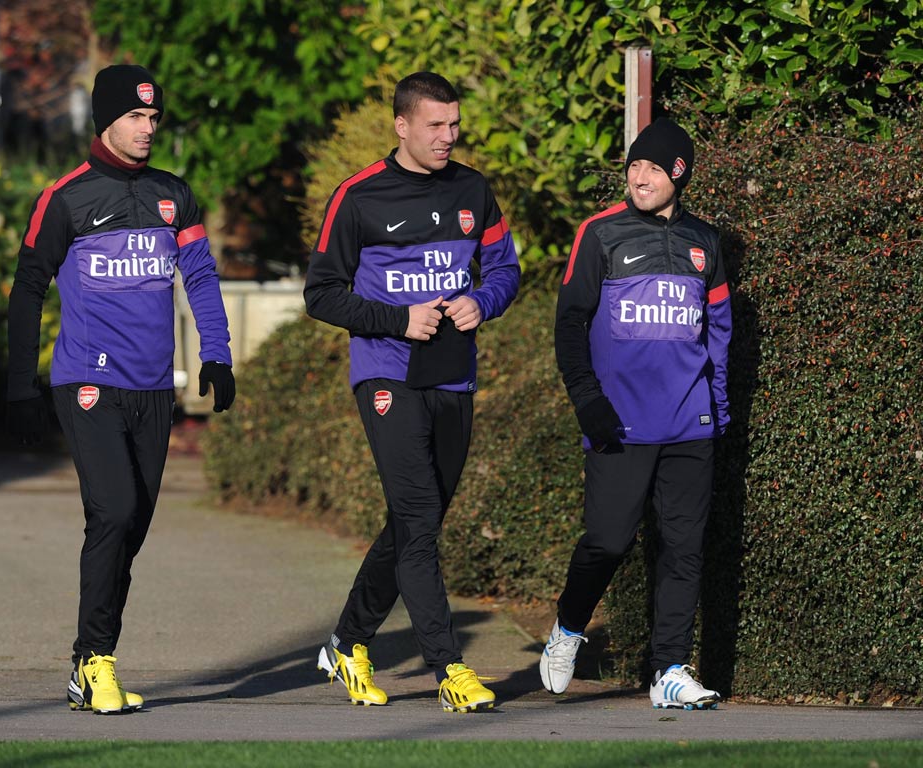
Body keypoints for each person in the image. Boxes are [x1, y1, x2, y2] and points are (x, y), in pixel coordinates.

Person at [6, 64, 235, 714]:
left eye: (154, 118)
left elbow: (200, 274)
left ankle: (86, 660)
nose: (148, 129)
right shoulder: (66, 198)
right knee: (112, 510)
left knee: (129, 526)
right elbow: (27, 288)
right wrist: (19, 386)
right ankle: (99, 661)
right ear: (105, 120)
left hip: (153, 388)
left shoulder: (174, 195)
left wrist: (216, 355)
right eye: (136, 117)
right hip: (87, 379)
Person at [304, 71, 520, 712]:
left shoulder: (473, 190)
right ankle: (449, 669)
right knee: (420, 519)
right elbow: (321, 293)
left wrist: (484, 301)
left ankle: (346, 643)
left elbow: (505, 268)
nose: (448, 137)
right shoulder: (359, 197)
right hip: (386, 373)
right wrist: (397, 319)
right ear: (402, 125)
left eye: (454, 125)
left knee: (414, 521)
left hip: (453, 375)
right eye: (435, 125)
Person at [542, 117, 731, 710]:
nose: (639, 176)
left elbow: (718, 331)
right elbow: (569, 324)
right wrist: (587, 401)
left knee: (684, 546)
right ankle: (568, 627)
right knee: (607, 539)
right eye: (634, 165)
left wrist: (717, 408)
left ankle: (668, 669)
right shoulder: (600, 234)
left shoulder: (707, 243)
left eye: (653, 167)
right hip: (617, 423)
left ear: (679, 174)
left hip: (689, 423)